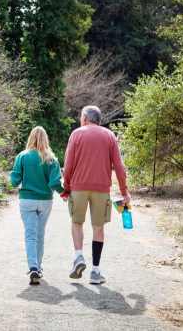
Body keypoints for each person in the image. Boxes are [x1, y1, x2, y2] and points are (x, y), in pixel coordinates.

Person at [61, 106, 130, 285]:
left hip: (78, 187)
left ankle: (78, 257)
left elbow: (68, 164)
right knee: (98, 228)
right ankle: (95, 271)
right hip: (101, 189)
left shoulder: (76, 134)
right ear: (98, 119)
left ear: (85, 118)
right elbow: (119, 167)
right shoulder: (109, 136)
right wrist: (124, 192)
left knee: (77, 223)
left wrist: (66, 187)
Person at [10, 126, 64, 285]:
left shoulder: (22, 156)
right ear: (45, 139)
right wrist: (64, 193)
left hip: (27, 200)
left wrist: (15, 177)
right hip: (45, 200)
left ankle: (33, 266)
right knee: (40, 234)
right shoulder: (51, 158)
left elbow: (14, 181)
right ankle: (38, 268)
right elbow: (55, 182)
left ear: (30, 138)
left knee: (30, 234)